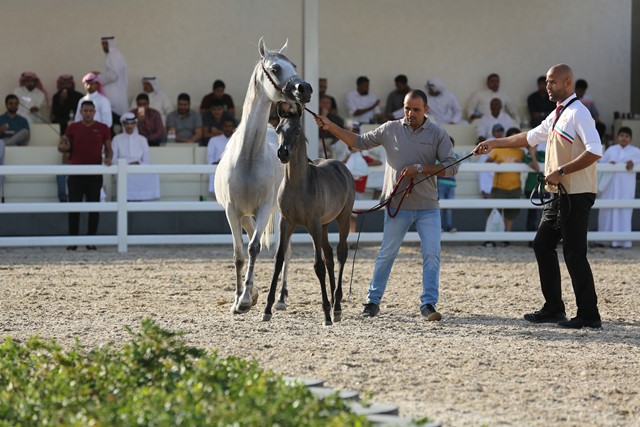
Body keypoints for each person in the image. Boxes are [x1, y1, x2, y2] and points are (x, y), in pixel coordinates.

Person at [474, 64, 603, 329]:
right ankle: (554, 308)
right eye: (546, 81)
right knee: (542, 245)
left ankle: (589, 315)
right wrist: (495, 143)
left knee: (574, 254)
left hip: (576, 193)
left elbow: (594, 150)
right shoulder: (557, 114)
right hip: (559, 194)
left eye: (553, 82)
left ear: (568, 82)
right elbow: (529, 137)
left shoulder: (579, 112)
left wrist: (561, 171)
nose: (548, 86)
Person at [316, 89, 459, 321]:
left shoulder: (438, 134)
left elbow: (452, 166)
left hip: (428, 206)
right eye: (407, 108)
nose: (410, 113)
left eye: (416, 109)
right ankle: (372, 302)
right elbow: (359, 142)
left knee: (432, 254)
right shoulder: (390, 129)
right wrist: (331, 126)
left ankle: (428, 304)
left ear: (426, 109)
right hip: (397, 205)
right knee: (386, 254)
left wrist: (421, 168)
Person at [58, 100, 112, 251]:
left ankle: (91, 240)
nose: (88, 113)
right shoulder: (73, 127)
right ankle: (73, 241)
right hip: (75, 174)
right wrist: (64, 146)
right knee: (74, 207)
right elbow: (61, 147)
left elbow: (109, 149)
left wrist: (108, 158)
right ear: (80, 112)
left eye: (90, 111)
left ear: (95, 112)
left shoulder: (103, 128)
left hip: (94, 174)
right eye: (85, 111)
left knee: (94, 208)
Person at [597, 127, 640, 248]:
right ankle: (604, 241)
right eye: (622, 135)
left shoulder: (636, 151)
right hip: (610, 187)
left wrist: (633, 162)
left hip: (625, 187)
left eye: (626, 136)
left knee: (624, 211)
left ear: (630, 139)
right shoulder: (611, 150)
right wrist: (609, 164)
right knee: (606, 211)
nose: (624, 138)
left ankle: (622, 241)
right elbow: (600, 163)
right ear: (617, 137)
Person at [486, 127, 525, 246]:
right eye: (513, 137)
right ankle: (491, 240)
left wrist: (523, 163)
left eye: (517, 137)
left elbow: (530, 163)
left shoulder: (521, 152)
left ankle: (506, 239)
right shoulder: (498, 149)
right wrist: (495, 164)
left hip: (515, 187)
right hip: (499, 187)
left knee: (510, 215)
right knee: (494, 212)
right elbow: (487, 162)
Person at [111, 112, 160, 201]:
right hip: (123, 169)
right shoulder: (117, 139)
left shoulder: (142, 139)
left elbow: (147, 160)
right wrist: (128, 164)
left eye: (132, 124)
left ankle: (141, 199)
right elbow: (113, 159)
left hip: (139, 168)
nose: (129, 126)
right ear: (123, 125)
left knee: (154, 173)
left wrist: (138, 164)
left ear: (135, 124)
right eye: (127, 124)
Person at [51, 74, 83, 202]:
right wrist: (62, 100)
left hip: (81, 165)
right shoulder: (56, 96)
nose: (66, 86)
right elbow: (64, 157)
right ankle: (63, 199)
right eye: (63, 84)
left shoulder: (79, 96)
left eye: (68, 84)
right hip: (62, 121)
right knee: (61, 172)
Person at [0, 94, 31, 192]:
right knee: (1, 142)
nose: (13, 105)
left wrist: (16, 136)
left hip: (19, 143)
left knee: (24, 131)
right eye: (11, 103)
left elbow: (27, 136)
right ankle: (8, 143)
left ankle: (8, 143)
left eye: (16, 103)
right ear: (6, 105)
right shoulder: (1, 118)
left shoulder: (23, 120)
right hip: (3, 141)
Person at [101, 36, 129, 119]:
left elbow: (113, 75)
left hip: (114, 93)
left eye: (106, 43)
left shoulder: (113, 56)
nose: (104, 46)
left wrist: (99, 79)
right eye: (103, 44)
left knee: (114, 118)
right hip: (117, 92)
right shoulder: (115, 55)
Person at [206, 117, 235, 195]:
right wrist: (220, 163)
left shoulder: (237, 140)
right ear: (222, 127)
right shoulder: (213, 140)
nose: (228, 129)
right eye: (226, 126)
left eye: (230, 126)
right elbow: (210, 158)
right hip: (218, 169)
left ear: (234, 128)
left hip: (234, 169)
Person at [437, 137, 459, 233]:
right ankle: (440, 226)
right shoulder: (439, 156)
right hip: (441, 184)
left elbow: (457, 162)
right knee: (440, 206)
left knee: (449, 207)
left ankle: (449, 226)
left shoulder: (455, 155)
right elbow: (437, 164)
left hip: (451, 185)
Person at [318, 94, 345, 159]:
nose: (325, 105)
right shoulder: (314, 116)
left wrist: (332, 143)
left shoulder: (336, 118)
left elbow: (341, 133)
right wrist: (323, 116)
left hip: (332, 141)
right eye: (323, 102)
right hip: (318, 140)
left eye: (327, 103)